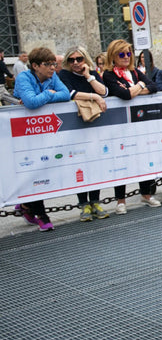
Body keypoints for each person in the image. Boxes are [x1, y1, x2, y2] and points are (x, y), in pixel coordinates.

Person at [13, 47, 70, 231]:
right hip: (22, 131)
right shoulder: (24, 77)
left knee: (43, 169)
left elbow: (65, 94)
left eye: (53, 64)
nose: (53, 68)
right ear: (35, 66)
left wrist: (43, 97)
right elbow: (31, 103)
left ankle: (26, 205)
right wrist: (49, 94)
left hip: (43, 131)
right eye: (48, 64)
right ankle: (41, 215)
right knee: (32, 169)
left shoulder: (52, 77)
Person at [102, 39, 161, 213]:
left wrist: (137, 87)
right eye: (122, 54)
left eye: (129, 53)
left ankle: (146, 194)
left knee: (143, 156)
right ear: (113, 56)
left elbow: (153, 86)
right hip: (119, 123)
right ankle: (121, 200)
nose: (126, 57)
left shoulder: (134, 72)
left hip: (138, 121)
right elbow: (124, 94)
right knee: (121, 160)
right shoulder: (109, 75)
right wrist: (139, 87)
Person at [58, 46, 109, 222]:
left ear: (85, 59)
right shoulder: (64, 75)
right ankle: (83, 204)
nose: (75, 63)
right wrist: (94, 97)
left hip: (95, 124)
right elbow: (70, 93)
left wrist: (88, 76)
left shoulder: (92, 73)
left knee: (94, 163)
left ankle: (95, 201)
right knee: (79, 165)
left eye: (79, 59)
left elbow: (104, 92)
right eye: (71, 60)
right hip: (76, 125)